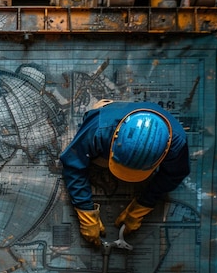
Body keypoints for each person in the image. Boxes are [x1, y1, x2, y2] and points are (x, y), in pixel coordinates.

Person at [60, 100, 190, 246]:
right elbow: (72, 162)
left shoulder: (177, 144)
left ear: (164, 152)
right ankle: (108, 106)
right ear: (115, 137)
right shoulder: (100, 127)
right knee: (95, 156)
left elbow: (174, 174)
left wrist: (143, 205)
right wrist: (85, 212)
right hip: (109, 117)